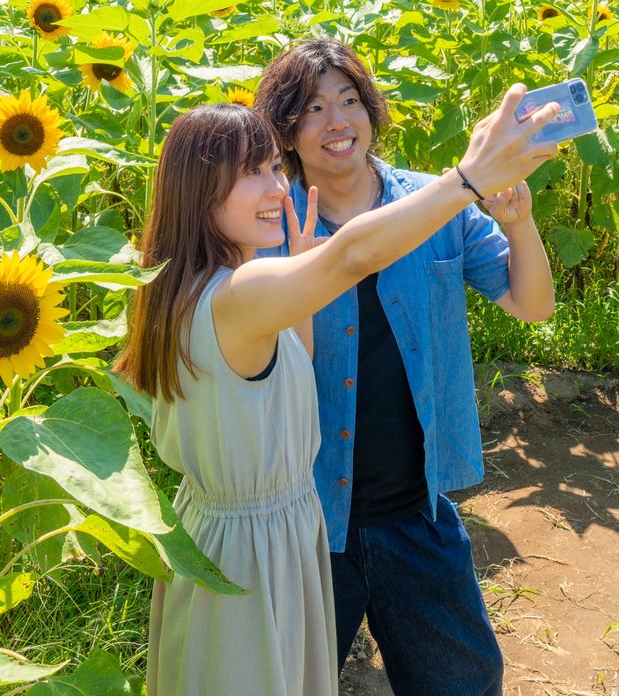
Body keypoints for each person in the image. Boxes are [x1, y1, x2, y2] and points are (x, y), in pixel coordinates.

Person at [116, 90, 559, 696]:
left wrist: (301, 279)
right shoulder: (240, 293)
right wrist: (468, 179)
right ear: (199, 191)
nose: (277, 188)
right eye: (252, 173)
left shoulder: (185, 287)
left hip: (242, 531)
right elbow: (352, 254)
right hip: (257, 549)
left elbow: (284, 376)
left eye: (274, 168)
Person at [255, 37, 557, 696]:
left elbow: (532, 305)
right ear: (286, 130)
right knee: (285, 683)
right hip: (307, 519)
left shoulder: (435, 204)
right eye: (313, 109)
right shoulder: (268, 223)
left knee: (465, 681)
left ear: (371, 110)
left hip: (415, 509)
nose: (337, 122)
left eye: (349, 100)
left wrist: (519, 222)